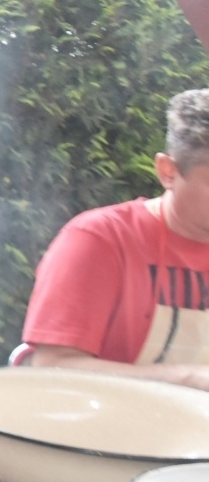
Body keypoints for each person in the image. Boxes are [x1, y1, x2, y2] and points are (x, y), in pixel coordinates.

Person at [23, 87, 209, 387]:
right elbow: (53, 367)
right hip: (97, 430)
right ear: (168, 172)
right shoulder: (99, 239)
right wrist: (187, 378)